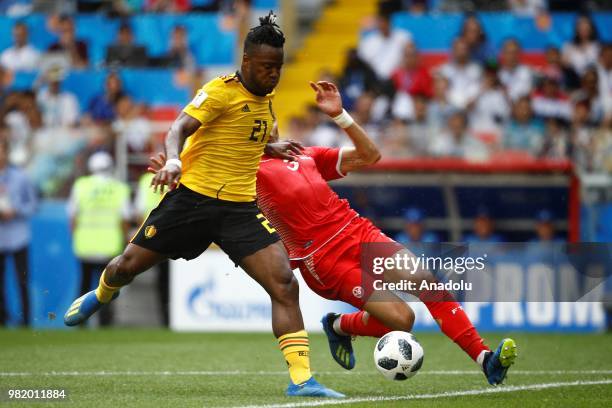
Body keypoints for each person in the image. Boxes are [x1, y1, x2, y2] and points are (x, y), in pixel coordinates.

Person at [150, 81, 518, 386]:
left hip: (358, 232)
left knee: (428, 281)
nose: (268, 125)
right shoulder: (244, 171)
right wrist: (173, 169)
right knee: (403, 320)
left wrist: (340, 115)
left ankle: (485, 359)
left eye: (271, 119)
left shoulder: (305, 153)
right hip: (323, 259)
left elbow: (370, 156)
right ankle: (339, 325)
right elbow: (203, 183)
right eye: (262, 121)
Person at [63, 12, 343, 399]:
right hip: (192, 200)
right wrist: (174, 159)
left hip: (240, 209)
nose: (273, 75)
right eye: (265, 68)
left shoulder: (266, 99)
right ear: (246, 63)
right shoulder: (219, 91)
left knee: (284, 283)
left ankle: (302, 380)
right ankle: (102, 294)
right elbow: (178, 127)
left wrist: (270, 147)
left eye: (277, 68)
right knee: (124, 267)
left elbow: (243, 135)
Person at [67, 152, 131, 327]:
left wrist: (75, 238)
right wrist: (126, 243)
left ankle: (80, 323)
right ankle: (105, 323)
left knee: (84, 285)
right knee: (107, 287)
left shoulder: (81, 186)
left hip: (85, 245)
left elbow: (72, 216)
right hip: (110, 246)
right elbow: (124, 219)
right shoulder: (119, 188)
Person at [0, 135, 37, 326]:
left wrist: (15, 211)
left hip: (17, 236)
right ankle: (2, 320)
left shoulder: (20, 177)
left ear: (6, 152)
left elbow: (32, 205)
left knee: (22, 281)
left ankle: (26, 321)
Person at [134, 171, 169, 326]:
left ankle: (166, 318)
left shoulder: (146, 180)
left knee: (163, 281)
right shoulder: (185, 172)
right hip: (174, 237)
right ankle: (167, 319)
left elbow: (138, 212)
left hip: (153, 239)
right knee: (165, 281)